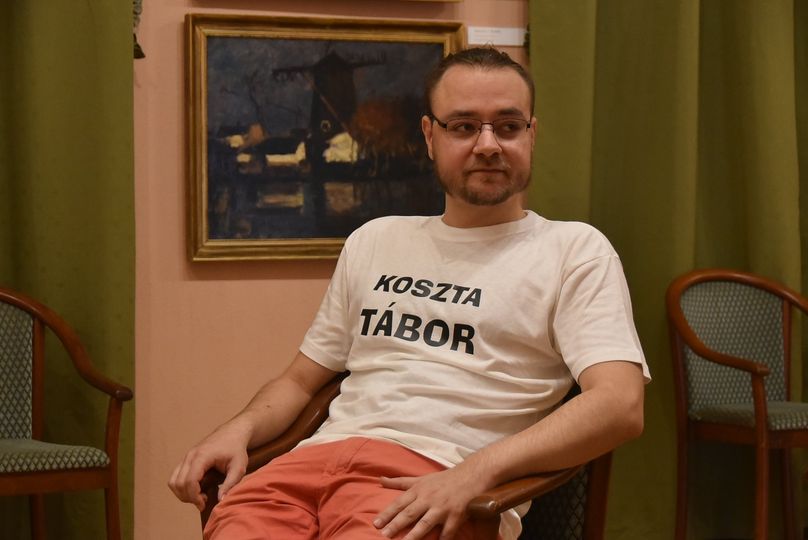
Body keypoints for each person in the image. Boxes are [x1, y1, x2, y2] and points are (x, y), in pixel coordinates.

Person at [169, 46, 650, 540]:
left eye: (508, 126)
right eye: (463, 126)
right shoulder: (375, 239)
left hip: (428, 485)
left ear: (532, 133)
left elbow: (619, 403)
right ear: (429, 135)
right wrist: (238, 429)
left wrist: (473, 474)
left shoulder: (574, 251)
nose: (488, 144)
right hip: (303, 469)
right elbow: (299, 381)